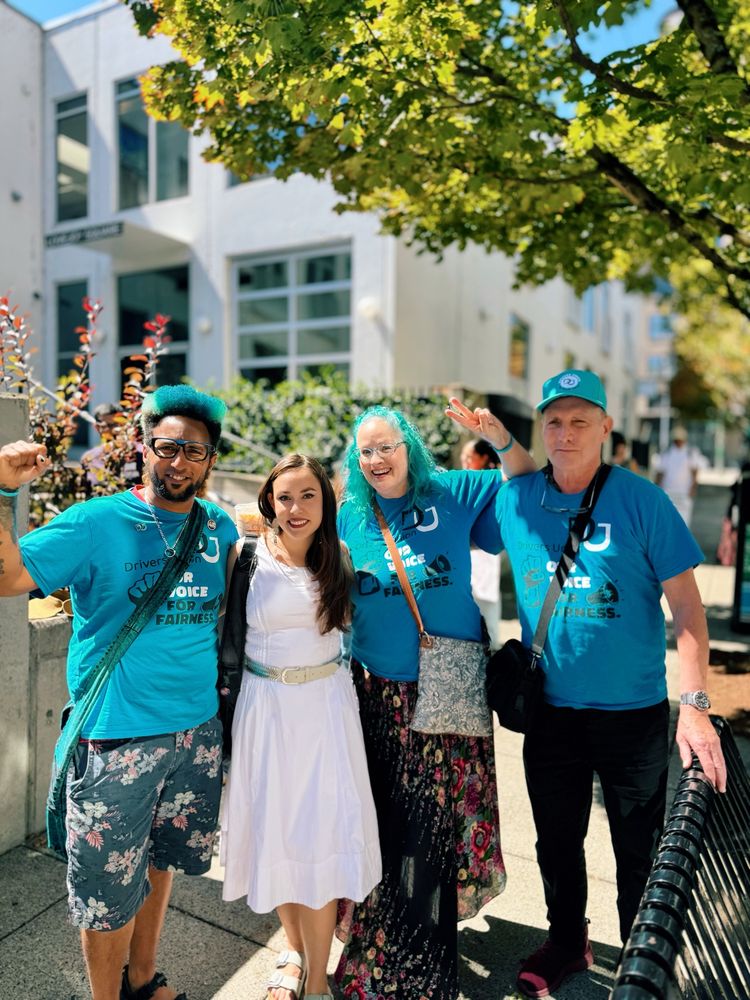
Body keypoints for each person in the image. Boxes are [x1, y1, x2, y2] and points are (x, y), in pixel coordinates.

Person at [473, 369, 727, 998]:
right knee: (557, 842)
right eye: (554, 421)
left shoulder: (643, 501)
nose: (565, 433)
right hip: (551, 712)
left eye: (580, 421)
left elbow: (688, 610)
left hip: (632, 714)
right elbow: (474, 498)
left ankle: (644, 964)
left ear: (606, 427)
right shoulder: (518, 498)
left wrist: (694, 706)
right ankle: (566, 941)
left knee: (639, 849)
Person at [0, 384, 238, 1000]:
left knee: (160, 862)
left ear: (210, 460)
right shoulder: (95, 522)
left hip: (197, 733)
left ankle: (142, 979)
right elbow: (9, 577)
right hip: (117, 739)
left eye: (194, 451)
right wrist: (2, 491)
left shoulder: (218, 525)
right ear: (144, 448)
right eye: (167, 447)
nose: (178, 462)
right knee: (105, 893)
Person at [333, 402, 536, 1000]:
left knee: (436, 829)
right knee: (388, 826)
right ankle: (380, 953)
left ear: (411, 449)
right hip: (380, 697)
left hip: (449, 689)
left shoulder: (452, 490)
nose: (377, 459)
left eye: (387, 447)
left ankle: (426, 960)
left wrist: (500, 438)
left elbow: (525, 485)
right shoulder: (349, 516)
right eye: (366, 451)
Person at [219, 454, 381, 1000]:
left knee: (320, 836)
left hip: (325, 710)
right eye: (285, 496)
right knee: (278, 834)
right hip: (264, 708)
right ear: (269, 501)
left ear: (325, 501)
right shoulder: (245, 556)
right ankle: (295, 951)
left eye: (308, 495)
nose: (296, 508)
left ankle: (315, 983)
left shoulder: (340, 556)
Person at [461, 438, 503, 647]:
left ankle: (492, 646)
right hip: (465, 551)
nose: (465, 461)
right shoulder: (464, 482)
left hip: (485, 551)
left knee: (486, 600)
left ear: (483, 458)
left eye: (469, 457)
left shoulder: (495, 481)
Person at [80, 402, 144, 490]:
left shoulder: (142, 453)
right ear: (97, 427)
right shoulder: (90, 458)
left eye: (119, 424)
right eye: (109, 425)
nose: (115, 429)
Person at [652, 425, 706, 527]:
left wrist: (693, 488)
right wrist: (656, 489)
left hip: (684, 493)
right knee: (667, 522)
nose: (678, 442)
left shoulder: (690, 453)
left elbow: (694, 473)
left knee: (684, 522)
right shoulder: (667, 453)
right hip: (668, 492)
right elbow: (660, 473)